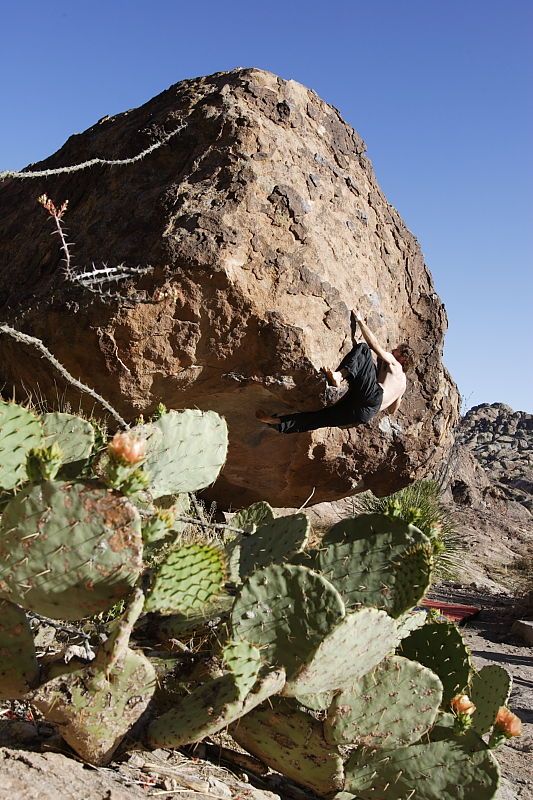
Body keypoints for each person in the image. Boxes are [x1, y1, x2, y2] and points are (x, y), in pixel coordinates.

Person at [256, 312, 413, 434]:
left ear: (402, 358)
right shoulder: (403, 385)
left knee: (364, 349)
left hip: (372, 396)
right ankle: (276, 422)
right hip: (365, 413)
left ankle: (339, 375)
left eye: (396, 351)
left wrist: (359, 320)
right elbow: (392, 411)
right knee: (321, 418)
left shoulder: (395, 364)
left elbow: (374, 345)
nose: (393, 350)